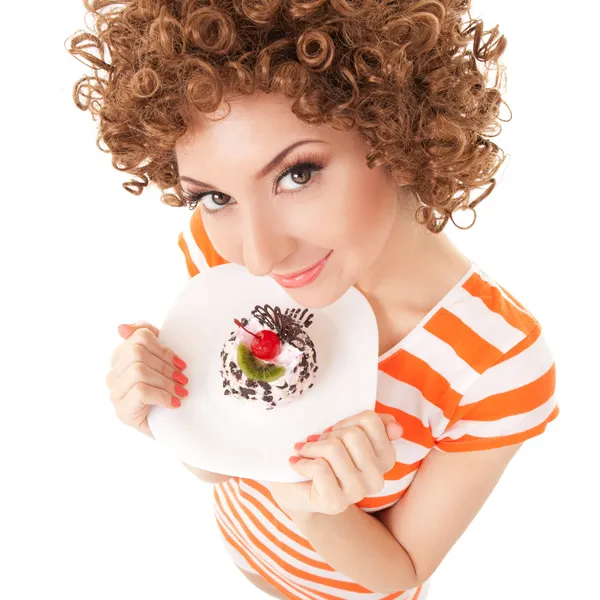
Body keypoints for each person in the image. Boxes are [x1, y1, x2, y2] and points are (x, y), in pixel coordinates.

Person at [69, 1, 559, 598]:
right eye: (215, 196)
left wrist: (316, 509)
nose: (258, 256)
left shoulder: (497, 359)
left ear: (403, 128)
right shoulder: (217, 252)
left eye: (296, 174)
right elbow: (220, 463)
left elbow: (403, 572)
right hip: (237, 556)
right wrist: (164, 414)